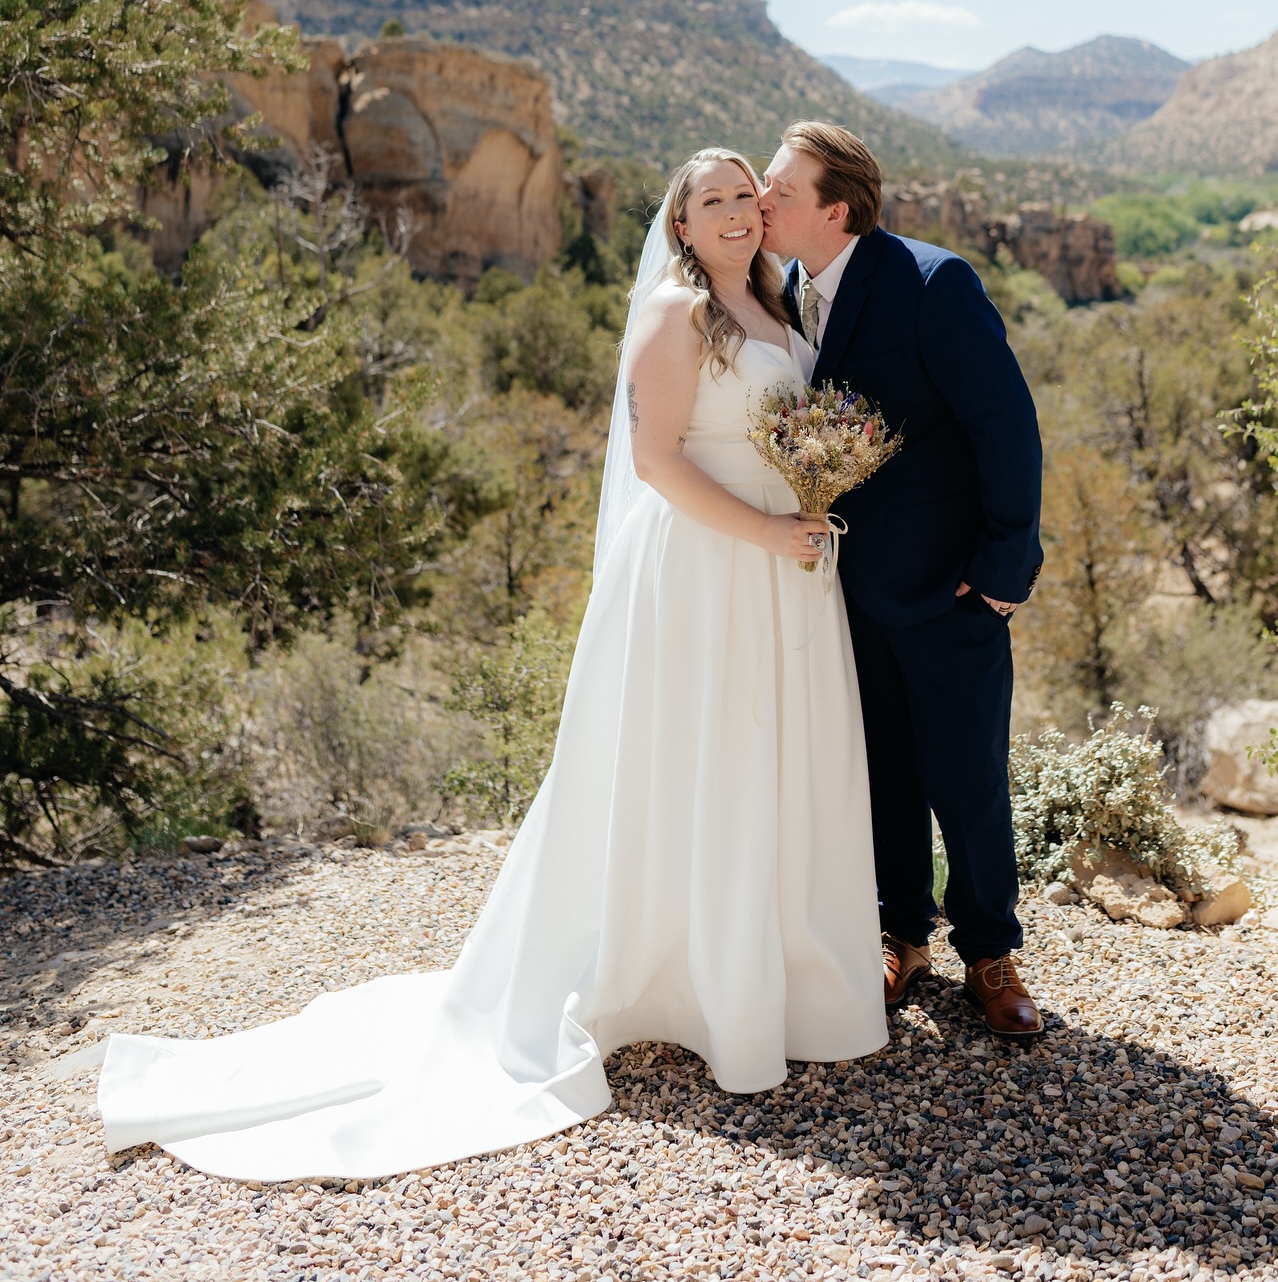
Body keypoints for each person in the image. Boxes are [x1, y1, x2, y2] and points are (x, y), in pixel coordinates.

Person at [96, 148, 888, 1182]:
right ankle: (689, 986)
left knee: (766, 765)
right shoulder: (674, 312)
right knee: (699, 759)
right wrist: (765, 530)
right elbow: (657, 464)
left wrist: (809, 509)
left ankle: (769, 976)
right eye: (713, 200)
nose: (739, 210)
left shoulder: (785, 309)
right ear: (681, 226)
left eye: (748, 193)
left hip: (784, 566)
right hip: (705, 569)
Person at [759, 122, 1046, 1038]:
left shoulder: (933, 283)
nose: (762, 202)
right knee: (877, 768)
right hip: (840, 594)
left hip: (949, 589)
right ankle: (899, 933)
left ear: (835, 209)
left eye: (781, 190)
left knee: (967, 777)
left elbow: (1007, 426)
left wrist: (1003, 574)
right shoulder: (781, 291)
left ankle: (992, 953)